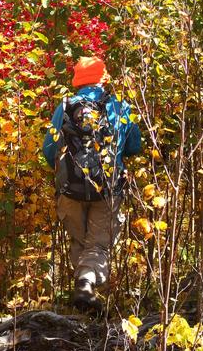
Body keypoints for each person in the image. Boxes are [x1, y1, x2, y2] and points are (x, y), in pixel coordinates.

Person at [43, 56, 141, 312]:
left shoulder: (64, 107)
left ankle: (84, 300)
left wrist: (67, 173)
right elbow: (134, 146)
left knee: (80, 242)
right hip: (107, 188)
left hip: (70, 191)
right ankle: (86, 286)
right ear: (103, 77)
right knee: (97, 244)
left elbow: (48, 149)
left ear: (77, 79)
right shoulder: (118, 106)